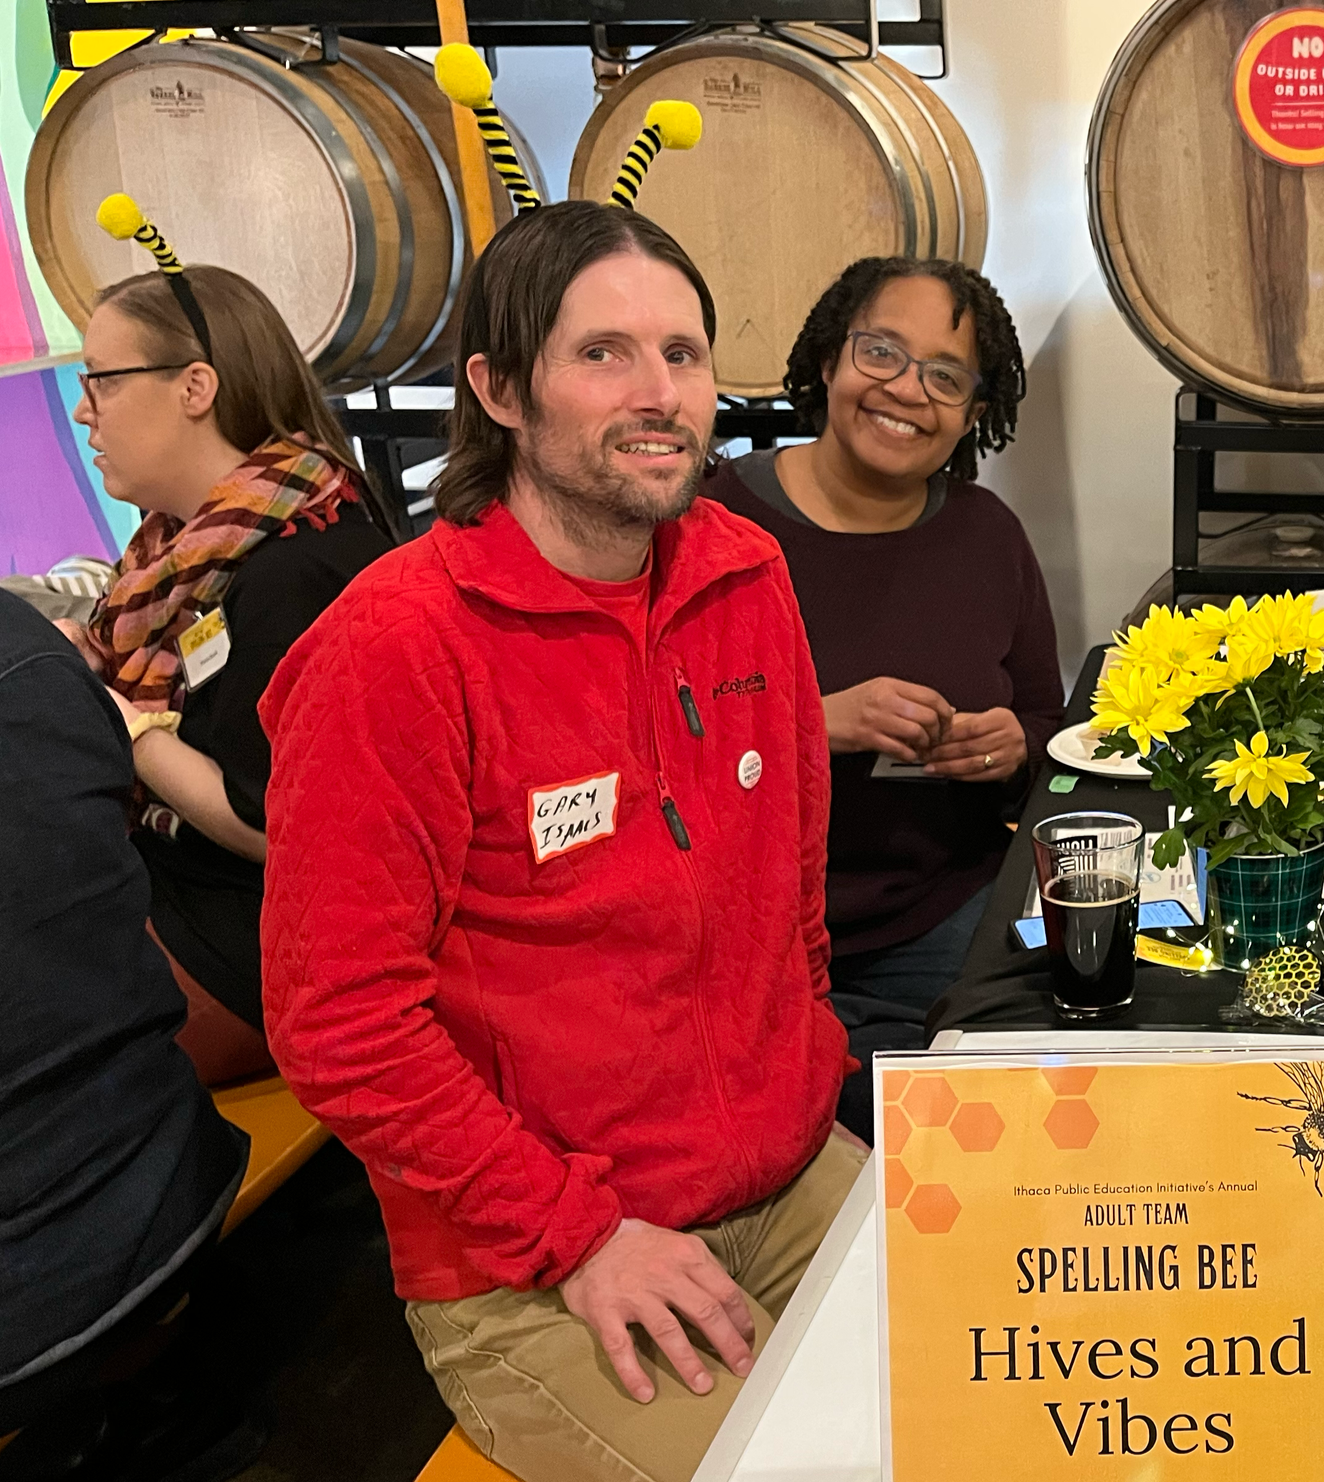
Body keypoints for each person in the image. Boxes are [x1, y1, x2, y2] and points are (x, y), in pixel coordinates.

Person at [257, 186, 856, 1480]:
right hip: (537, 1254)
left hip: (790, 1164)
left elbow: (790, 874)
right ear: (502, 390)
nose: (662, 393)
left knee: (1020, 1396)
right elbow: (338, 1021)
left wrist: (803, 1058)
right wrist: (580, 1235)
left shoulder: (747, 574)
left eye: (682, 353)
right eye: (604, 353)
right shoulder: (395, 648)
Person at [704, 256, 1059, 1096]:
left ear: (975, 411)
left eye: (944, 375)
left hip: (940, 917)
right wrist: (814, 723)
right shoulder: (711, 526)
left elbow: (1049, 721)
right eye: (881, 352)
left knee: (1039, 1096)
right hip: (741, 941)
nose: (906, 390)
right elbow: (634, 743)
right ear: (829, 358)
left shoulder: (987, 536)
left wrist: (1012, 748)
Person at [57, 236, 393, 1087]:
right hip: (177, 892)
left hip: (253, 951)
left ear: (195, 387)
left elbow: (277, 828)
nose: (82, 410)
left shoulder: (299, 566)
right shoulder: (179, 553)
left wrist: (123, 722)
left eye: (102, 379)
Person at [0, 589, 247, 1436]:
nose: (93, 442)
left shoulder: (278, 574)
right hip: (178, 1176)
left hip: (52, 1288)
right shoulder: (30, 640)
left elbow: (266, 822)